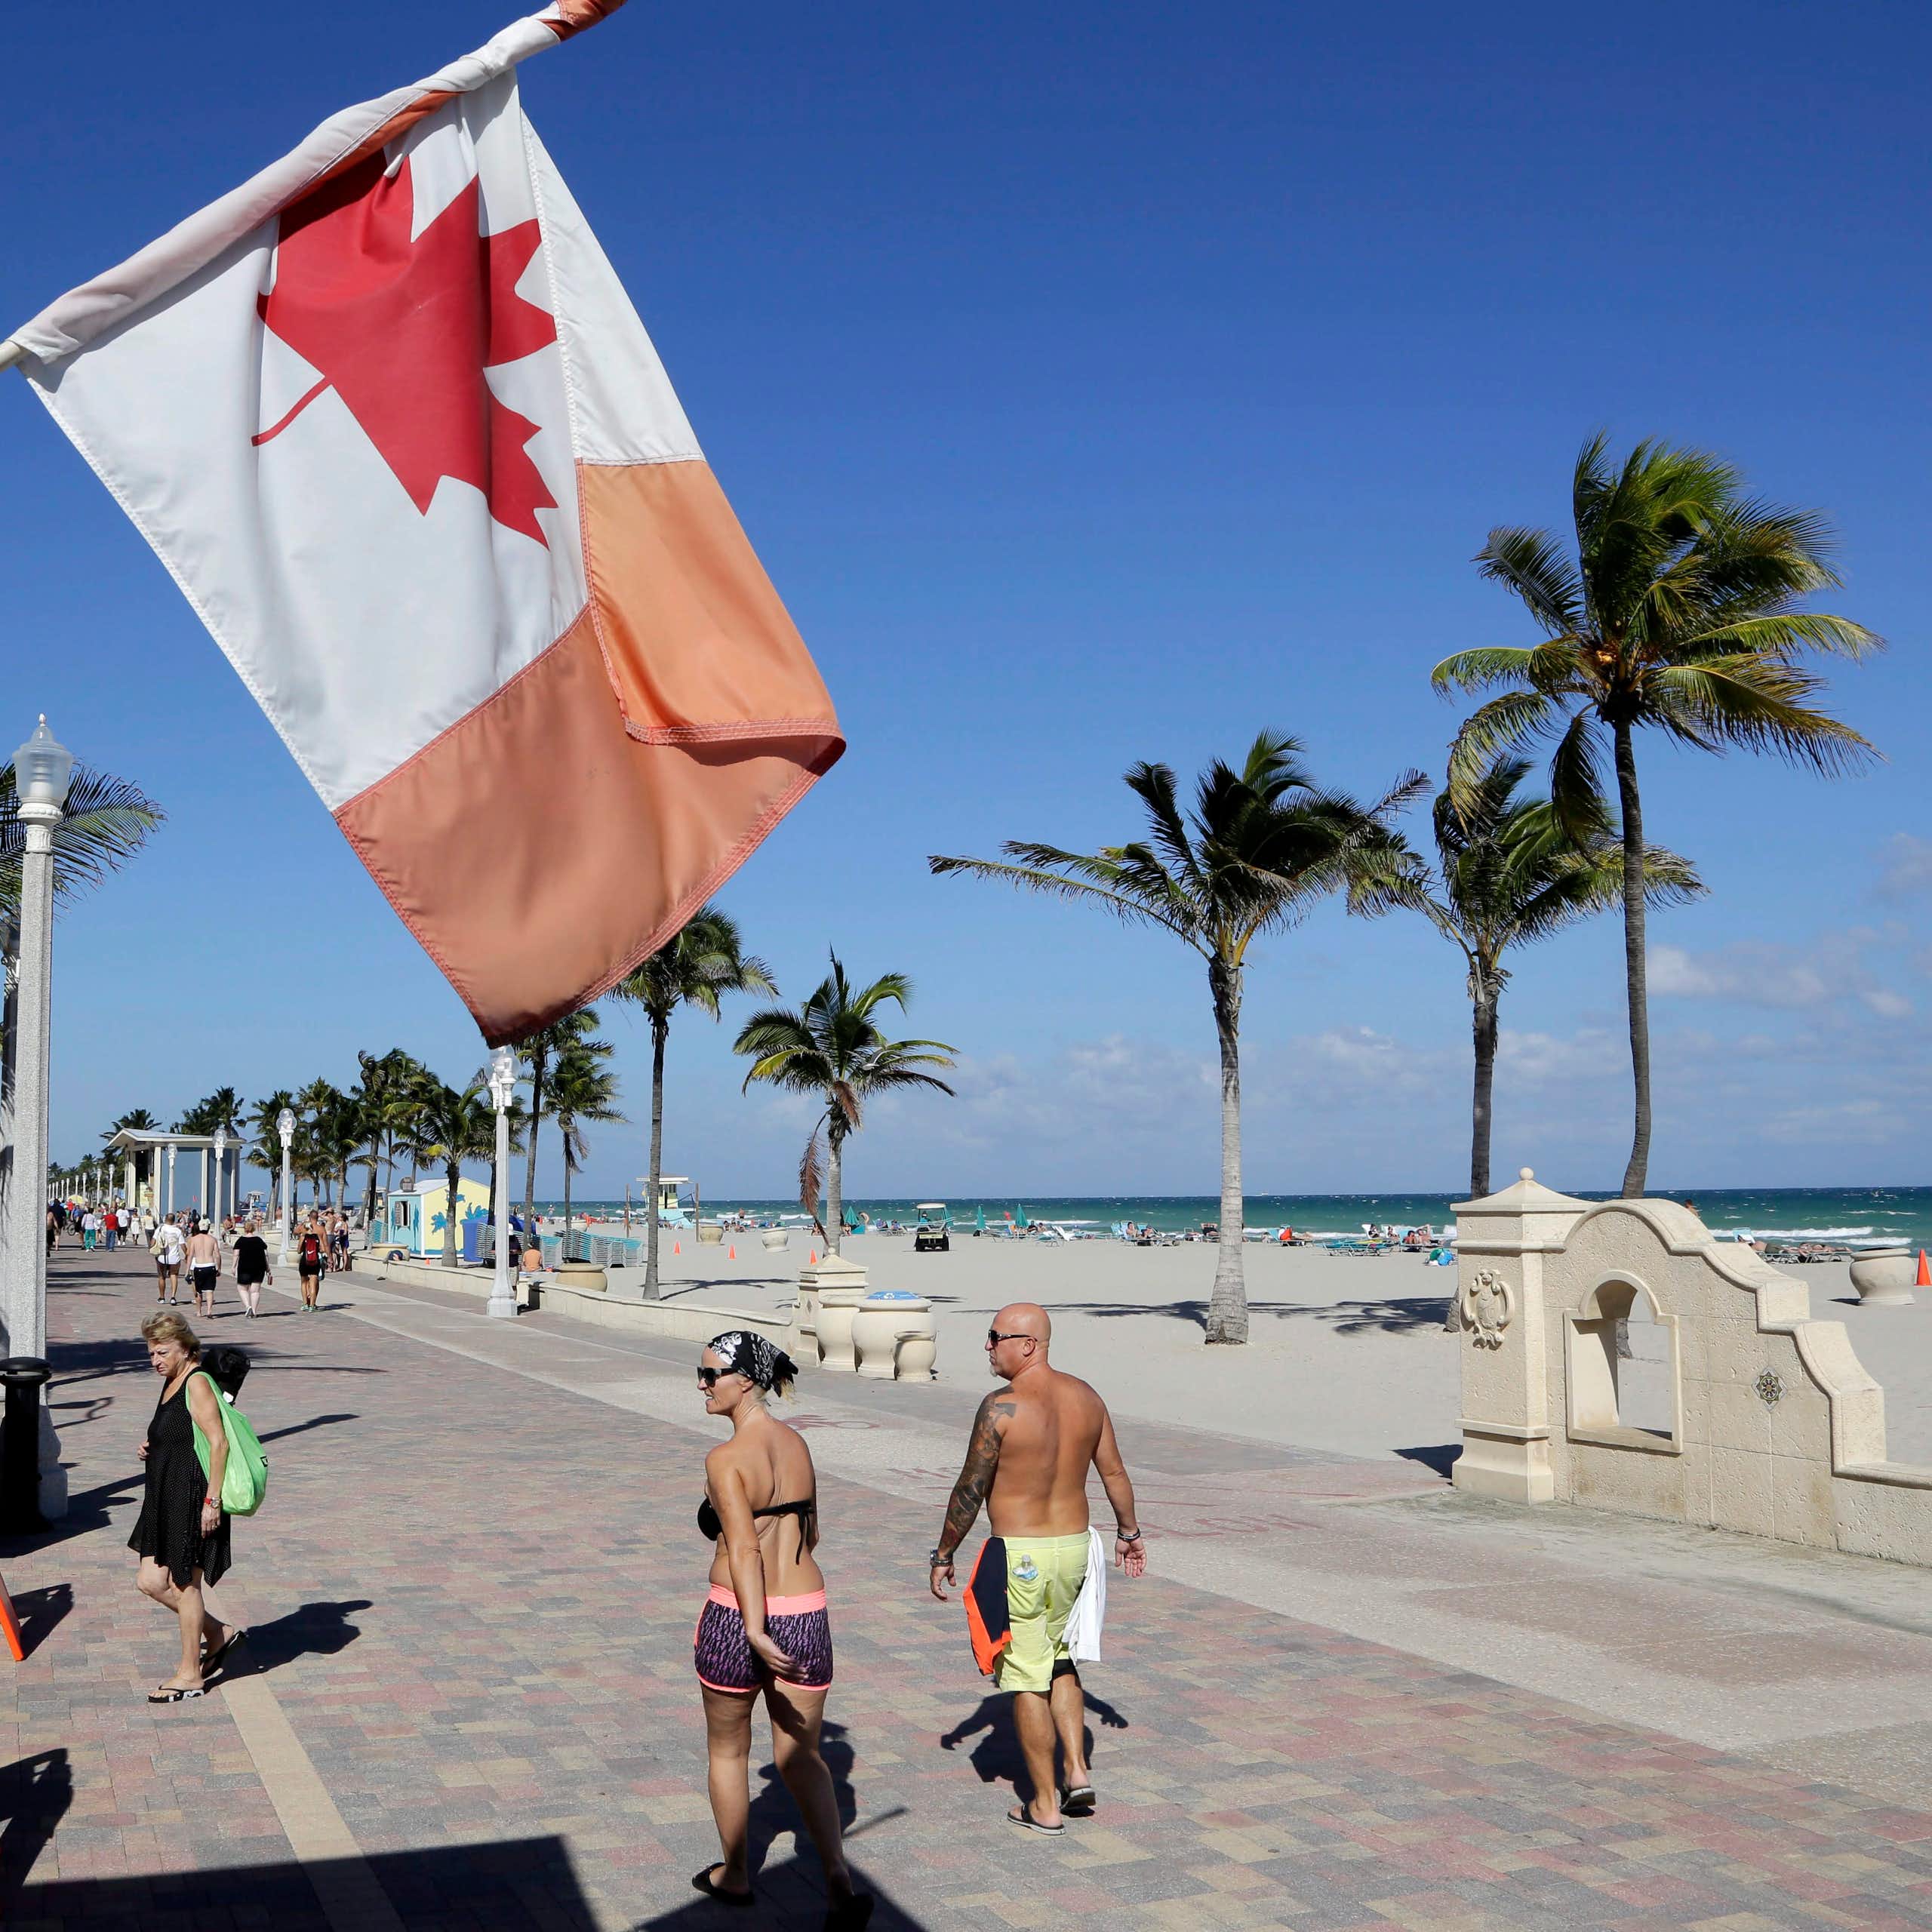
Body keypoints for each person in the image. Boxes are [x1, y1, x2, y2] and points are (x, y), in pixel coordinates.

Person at [930, 1303, 1145, 1835]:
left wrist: (943, 1553)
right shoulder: (1086, 1397)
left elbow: (971, 1487)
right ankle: (1076, 1770)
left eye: (994, 1337)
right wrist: (1130, 1533)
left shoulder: (1001, 1406)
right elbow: (1114, 1471)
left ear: (1028, 1344)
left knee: (1025, 1674)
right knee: (1061, 1656)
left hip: (1022, 1554)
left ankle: (1045, 1804)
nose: (987, 1346)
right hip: (1075, 1548)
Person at [691, 1331, 870, 1927]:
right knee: (802, 1758)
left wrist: (755, 1626)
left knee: (728, 1748)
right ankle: (838, 1881)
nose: (701, 1384)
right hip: (807, 1609)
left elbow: (743, 1550)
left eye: (710, 1374)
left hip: (740, 1615)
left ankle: (737, 1873)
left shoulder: (725, 1459)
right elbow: (810, 1533)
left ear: (744, 1380)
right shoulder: (797, 1444)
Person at [129, 1310, 245, 1700]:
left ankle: (190, 1673)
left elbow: (219, 1444)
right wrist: (154, 1446)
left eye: (162, 1352)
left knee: (185, 1583)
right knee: (149, 1581)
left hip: (193, 1496)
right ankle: (217, 1632)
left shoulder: (197, 1382)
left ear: (185, 1347)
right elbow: (181, 1432)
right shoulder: (172, 1380)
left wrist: (212, 1501)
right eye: (151, 1354)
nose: (155, 1361)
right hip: (164, 1493)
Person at [232, 1217, 271, 1319]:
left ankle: (248, 1306)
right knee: (255, 1291)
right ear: (253, 1229)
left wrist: (233, 1267)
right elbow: (265, 1255)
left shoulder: (240, 1240)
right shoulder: (259, 1240)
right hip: (259, 1268)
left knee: (242, 1288)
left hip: (244, 1268)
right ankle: (254, 1311)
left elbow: (236, 1255)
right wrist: (268, 1268)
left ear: (245, 1229)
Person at [184, 1220, 222, 1319]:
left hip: (199, 1266)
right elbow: (217, 1255)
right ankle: (209, 1311)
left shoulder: (194, 1239)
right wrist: (219, 1268)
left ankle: (199, 1311)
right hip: (210, 1265)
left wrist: (187, 1271)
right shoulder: (213, 1239)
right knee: (210, 1290)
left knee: (199, 1291)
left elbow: (190, 1255)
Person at [297, 1217, 326, 1311]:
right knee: (313, 1284)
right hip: (315, 1262)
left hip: (304, 1262)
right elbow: (323, 1249)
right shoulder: (317, 1236)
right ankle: (312, 1306)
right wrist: (316, 1250)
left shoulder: (303, 1236)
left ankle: (305, 1304)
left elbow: (299, 1250)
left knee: (304, 1283)